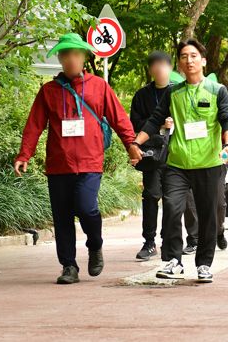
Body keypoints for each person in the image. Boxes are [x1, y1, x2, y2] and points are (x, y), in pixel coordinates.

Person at [14, 33, 142, 284]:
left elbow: (118, 117)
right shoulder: (48, 91)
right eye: (66, 55)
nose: (71, 59)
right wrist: (24, 154)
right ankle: (69, 266)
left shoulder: (99, 86)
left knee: (86, 208)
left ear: (83, 57)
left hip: (89, 161)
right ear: (60, 59)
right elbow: (34, 125)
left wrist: (131, 143)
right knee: (62, 217)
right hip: (59, 164)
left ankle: (95, 244)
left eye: (76, 54)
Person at [134, 39, 228, 283]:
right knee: (171, 208)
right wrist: (136, 143)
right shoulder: (173, 92)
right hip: (177, 164)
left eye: (193, 55)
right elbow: (154, 119)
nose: (188, 60)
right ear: (179, 63)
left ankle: (204, 264)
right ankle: (173, 261)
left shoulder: (217, 90)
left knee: (207, 215)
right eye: (183, 56)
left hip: (209, 163)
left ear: (203, 60)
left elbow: (226, 119)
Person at [130, 51, 201, 261]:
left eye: (164, 65)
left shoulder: (179, 92)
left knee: (178, 200)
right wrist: (160, 125)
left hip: (176, 154)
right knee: (151, 196)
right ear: (150, 69)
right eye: (155, 65)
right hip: (152, 155)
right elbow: (136, 124)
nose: (160, 69)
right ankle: (149, 242)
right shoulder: (142, 95)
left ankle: (180, 240)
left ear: (171, 68)